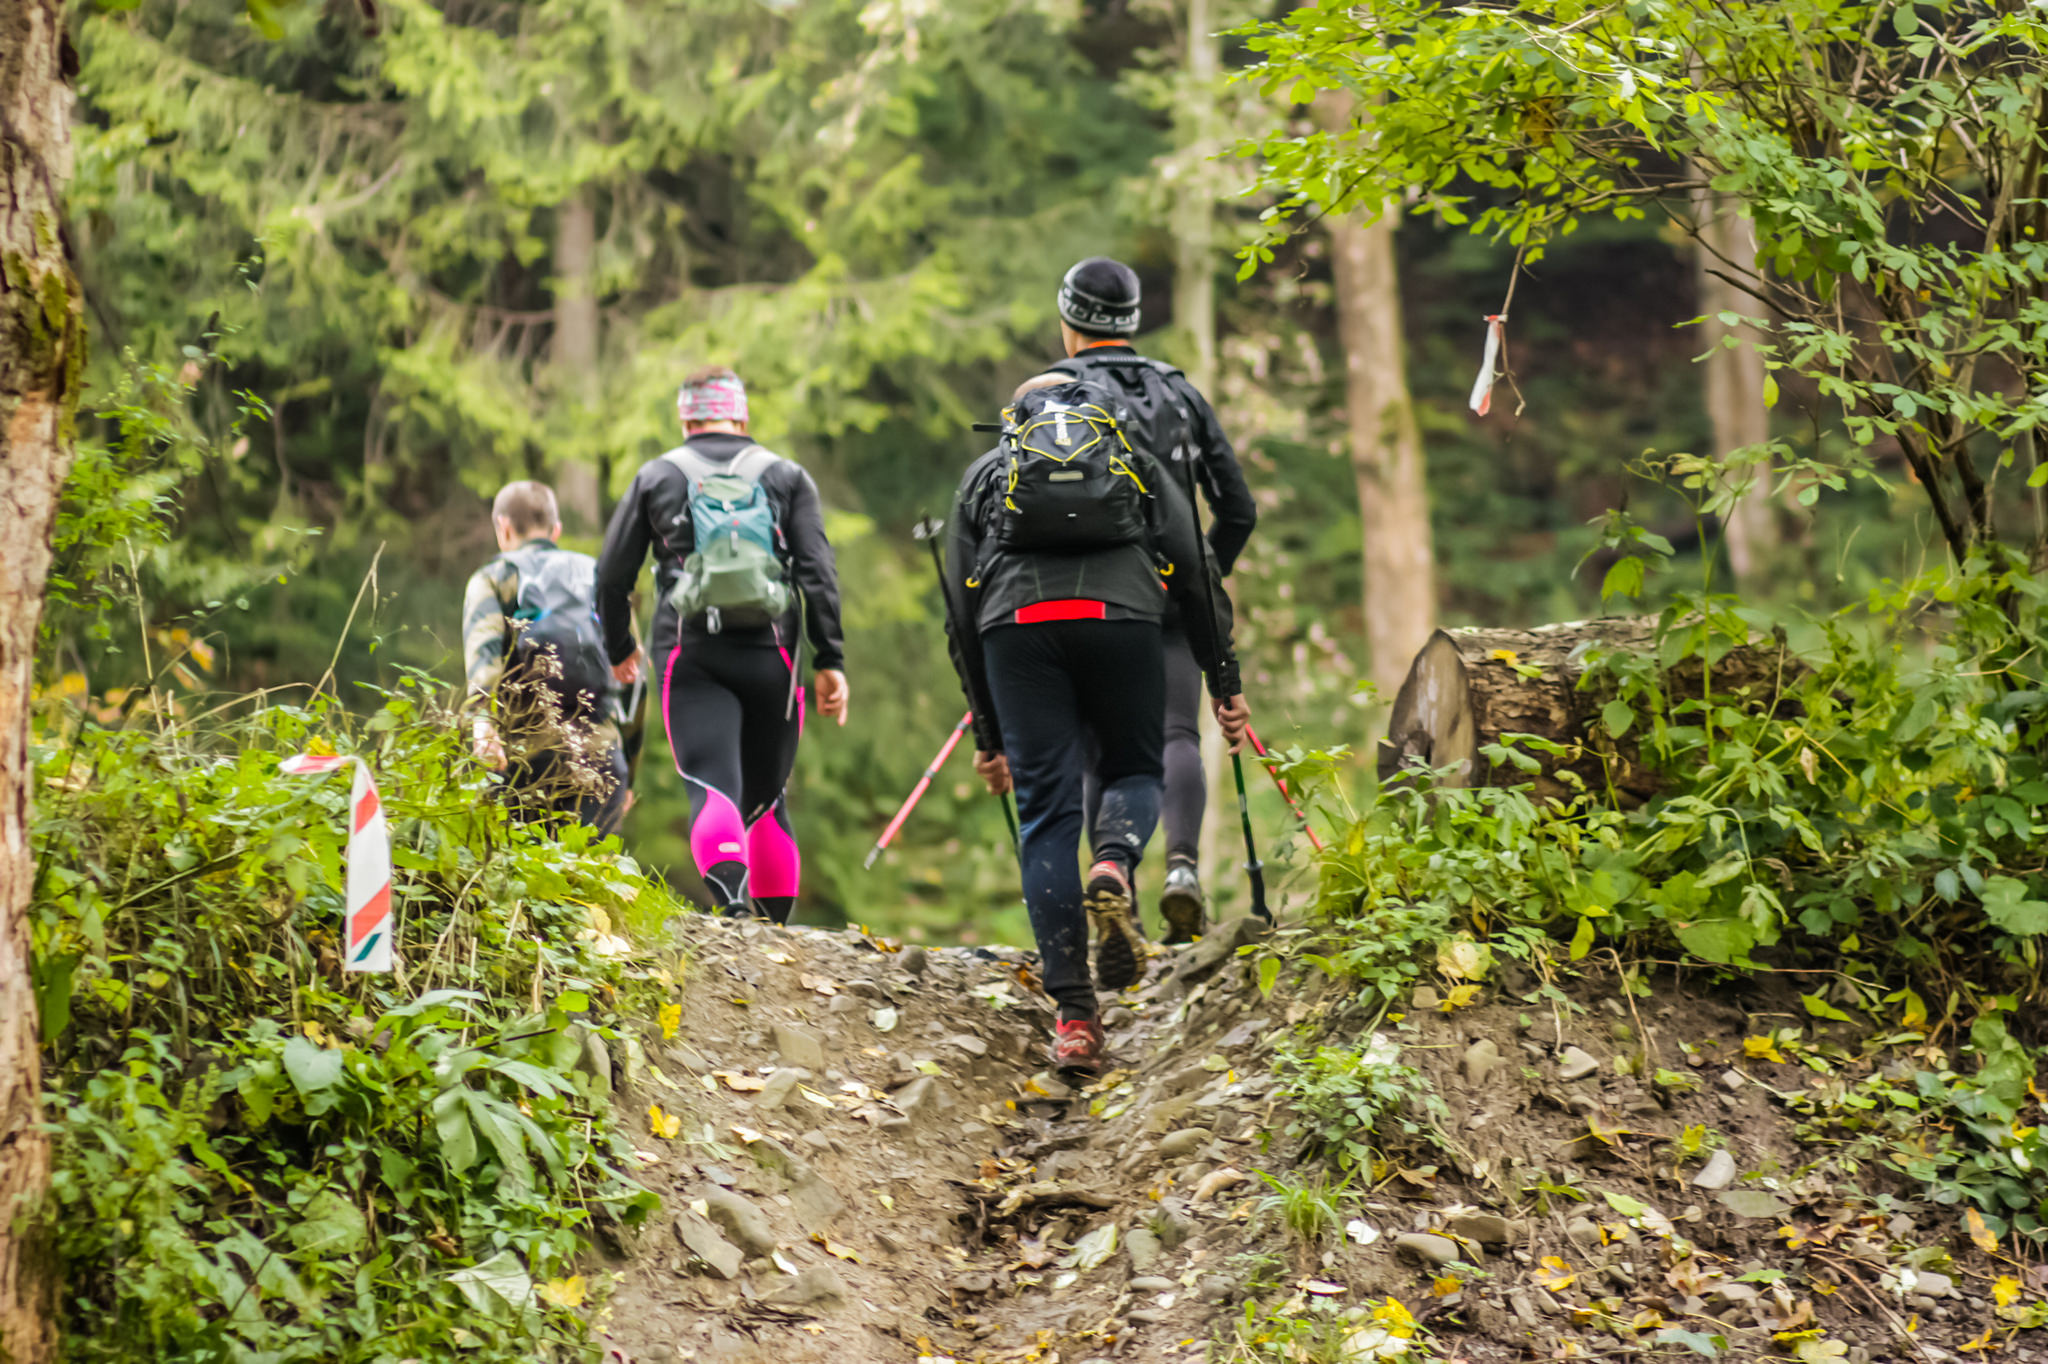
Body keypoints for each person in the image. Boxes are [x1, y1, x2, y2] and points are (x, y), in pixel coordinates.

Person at [945, 374, 1250, 1075]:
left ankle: (1076, 1020)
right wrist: (1222, 679)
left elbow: (960, 613)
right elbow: (1197, 570)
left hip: (1015, 629)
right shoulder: (1131, 457)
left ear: (1013, 418)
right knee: (1135, 768)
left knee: (1046, 815)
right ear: (1096, 412)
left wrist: (987, 734)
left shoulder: (987, 472)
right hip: (1121, 616)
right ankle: (1113, 861)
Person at [1022, 257, 1257, 944]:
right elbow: (1237, 509)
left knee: (1102, 749)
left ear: (1070, 322)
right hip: (1170, 598)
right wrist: (1196, 585)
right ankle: (1182, 871)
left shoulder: (1048, 396)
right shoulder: (1179, 392)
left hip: (1080, 599)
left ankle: (1111, 878)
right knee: (1178, 734)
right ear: (1131, 320)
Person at [596, 367, 848, 924]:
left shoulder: (657, 476)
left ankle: (731, 908)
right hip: (774, 654)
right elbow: (818, 573)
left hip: (691, 655)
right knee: (768, 793)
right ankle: (779, 931)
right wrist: (830, 659)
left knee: (712, 783)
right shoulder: (786, 476)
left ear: (685, 418)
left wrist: (619, 648)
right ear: (742, 415)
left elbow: (612, 577)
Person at [462, 480, 633, 835]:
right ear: (556, 530)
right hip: (600, 760)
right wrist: (628, 761)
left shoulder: (493, 577)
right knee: (588, 883)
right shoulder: (599, 577)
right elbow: (632, 672)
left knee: (521, 880)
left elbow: (484, 654)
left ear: (503, 527)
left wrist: (482, 721)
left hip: (520, 761)